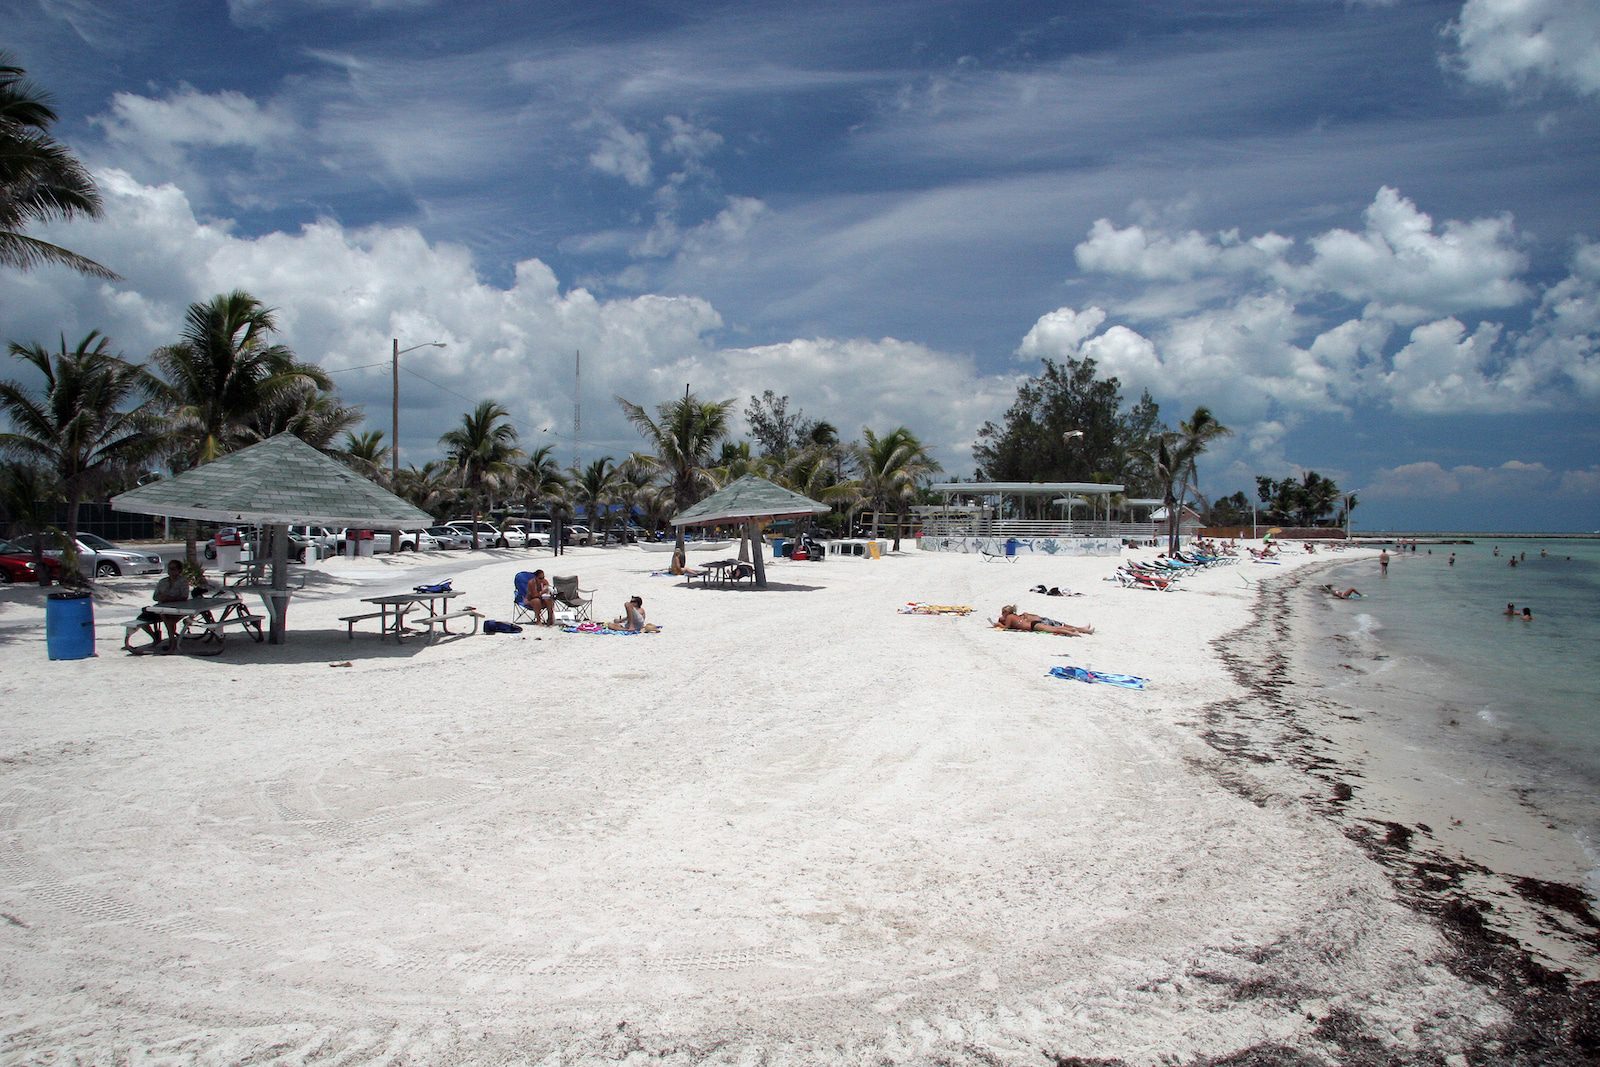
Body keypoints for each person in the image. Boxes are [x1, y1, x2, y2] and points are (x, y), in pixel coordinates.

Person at [138, 559, 194, 652]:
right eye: (169, 569)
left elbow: (184, 596)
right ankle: (155, 638)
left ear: (179, 570)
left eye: (173, 569)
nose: (170, 571)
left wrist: (169, 598)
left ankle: (172, 643)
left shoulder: (183, 581)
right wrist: (162, 597)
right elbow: (155, 597)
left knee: (169, 621)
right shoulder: (162, 582)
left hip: (176, 608)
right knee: (141, 619)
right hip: (161, 607)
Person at [996, 605, 1093, 636]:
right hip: (1033, 624)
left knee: (1054, 629)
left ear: (1005, 613)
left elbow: (1006, 628)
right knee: (1057, 627)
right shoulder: (1015, 616)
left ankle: (1073, 633)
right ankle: (1073, 631)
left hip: (1033, 626)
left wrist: (999, 624)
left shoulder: (1009, 617)